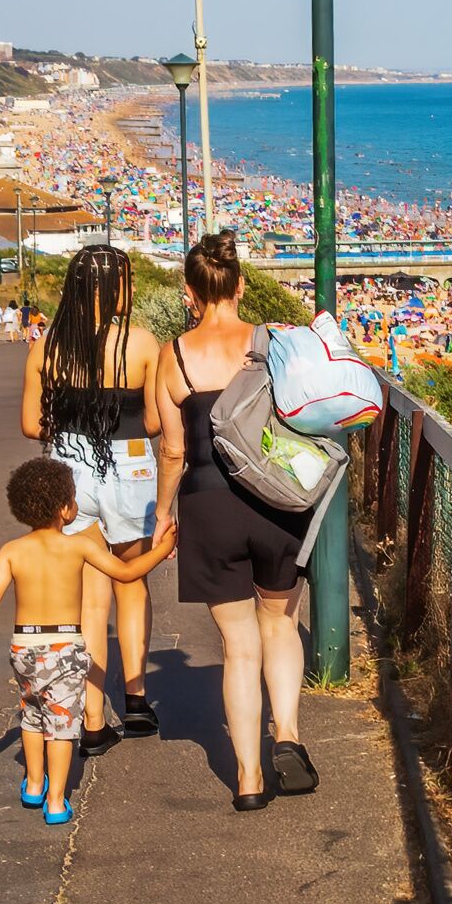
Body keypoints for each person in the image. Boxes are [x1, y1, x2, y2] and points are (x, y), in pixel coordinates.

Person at [162, 231, 322, 808]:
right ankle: (289, 737)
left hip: (208, 505)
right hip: (275, 500)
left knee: (238, 646)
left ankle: (250, 779)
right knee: (280, 626)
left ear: (189, 292)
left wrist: (162, 515)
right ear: (241, 286)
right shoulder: (271, 341)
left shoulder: (174, 354)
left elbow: (174, 450)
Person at [0, 455, 180, 822]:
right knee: (62, 725)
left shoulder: (12, 551)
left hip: (24, 647)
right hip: (62, 648)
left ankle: (34, 785)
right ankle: (57, 800)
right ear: (65, 509)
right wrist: (160, 550)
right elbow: (126, 574)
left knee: (32, 714)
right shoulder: (78, 546)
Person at [20, 245, 170, 751]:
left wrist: (71, 427)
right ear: (118, 287)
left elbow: (28, 424)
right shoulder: (143, 344)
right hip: (129, 463)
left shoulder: (47, 347)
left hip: (69, 466)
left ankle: (91, 716)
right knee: (132, 584)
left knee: (89, 592)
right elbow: (153, 420)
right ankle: (137, 699)